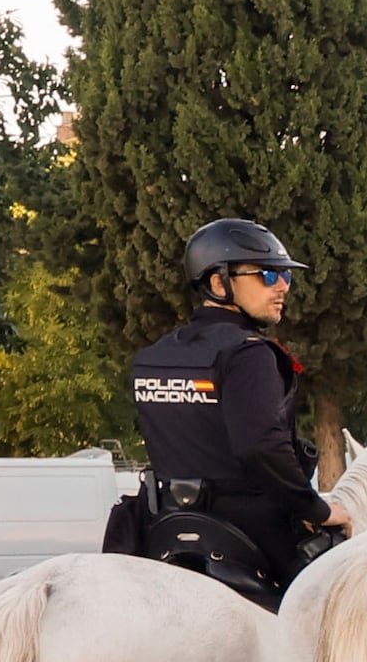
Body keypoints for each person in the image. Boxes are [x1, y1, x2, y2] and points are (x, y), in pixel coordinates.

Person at [123, 216, 333, 598]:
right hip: (247, 528)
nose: (283, 286)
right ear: (218, 283)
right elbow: (261, 447)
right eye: (267, 275)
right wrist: (317, 510)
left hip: (163, 522)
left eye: (286, 277)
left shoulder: (153, 357)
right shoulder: (247, 354)